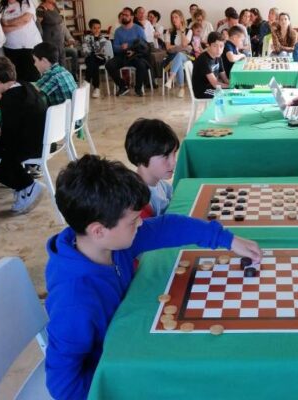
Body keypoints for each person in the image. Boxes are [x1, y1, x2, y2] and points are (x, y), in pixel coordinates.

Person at [44, 154, 262, 399]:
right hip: (122, 375)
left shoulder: (110, 242)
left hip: (135, 341)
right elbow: (63, 385)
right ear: (98, 230)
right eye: (133, 221)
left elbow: (168, 227)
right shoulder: (74, 302)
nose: (141, 224)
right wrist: (116, 385)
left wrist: (226, 239)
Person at [0, 56, 47, 213]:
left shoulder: (9, 101)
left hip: (28, 146)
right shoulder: (25, 85)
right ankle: (22, 186)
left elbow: (10, 136)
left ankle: (28, 185)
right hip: (42, 140)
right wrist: (2, 96)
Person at [124, 118, 178, 218]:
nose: (174, 162)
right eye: (166, 156)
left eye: (174, 153)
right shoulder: (139, 203)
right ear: (142, 156)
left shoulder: (161, 184)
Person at [105, 8, 150, 97]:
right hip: (123, 55)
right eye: (122, 15)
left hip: (136, 55)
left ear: (132, 17)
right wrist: (121, 47)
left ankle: (138, 89)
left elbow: (144, 45)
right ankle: (123, 86)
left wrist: (134, 51)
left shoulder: (138, 29)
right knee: (109, 65)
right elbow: (115, 47)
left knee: (142, 65)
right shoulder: (118, 31)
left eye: (126, 15)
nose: (124, 17)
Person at [0, 0, 42, 82]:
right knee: (16, 78)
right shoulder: (2, 8)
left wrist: (7, 23)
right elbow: (2, 29)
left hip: (29, 47)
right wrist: (17, 25)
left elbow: (25, 18)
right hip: (10, 49)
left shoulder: (26, 3)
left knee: (33, 78)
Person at [33, 42, 77, 106]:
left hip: (60, 112)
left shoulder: (51, 75)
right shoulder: (64, 71)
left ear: (44, 60)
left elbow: (32, 92)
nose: (34, 64)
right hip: (71, 110)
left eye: (35, 60)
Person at [163, 9, 193, 98]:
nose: (174, 19)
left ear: (181, 18)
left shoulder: (189, 31)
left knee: (179, 55)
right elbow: (168, 47)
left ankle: (171, 78)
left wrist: (182, 32)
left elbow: (184, 44)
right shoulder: (168, 31)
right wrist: (181, 47)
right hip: (172, 56)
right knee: (178, 58)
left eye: (176, 17)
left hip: (186, 56)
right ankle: (181, 88)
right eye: (172, 18)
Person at [192, 31, 229, 98]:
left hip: (212, 87)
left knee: (233, 92)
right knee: (226, 95)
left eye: (221, 46)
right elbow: (215, 84)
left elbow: (225, 78)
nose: (219, 50)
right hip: (203, 90)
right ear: (208, 45)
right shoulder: (204, 59)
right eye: (215, 46)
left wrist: (234, 86)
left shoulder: (218, 57)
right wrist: (230, 87)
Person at [82, 18, 109, 98]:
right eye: (94, 28)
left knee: (93, 59)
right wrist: (93, 52)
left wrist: (96, 41)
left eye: (99, 28)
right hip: (90, 58)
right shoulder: (86, 38)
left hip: (101, 58)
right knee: (94, 63)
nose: (97, 30)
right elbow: (85, 50)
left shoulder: (103, 38)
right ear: (91, 29)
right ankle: (96, 88)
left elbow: (102, 51)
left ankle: (87, 80)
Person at [36, 0, 65, 66]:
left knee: (62, 62)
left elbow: (59, 21)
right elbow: (38, 25)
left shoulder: (54, 6)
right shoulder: (41, 9)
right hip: (50, 41)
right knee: (54, 63)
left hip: (59, 40)